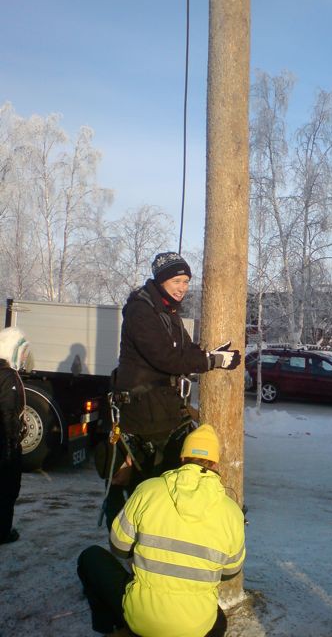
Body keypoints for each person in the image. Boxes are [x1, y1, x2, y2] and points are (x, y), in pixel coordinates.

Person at [100, 252, 241, 529]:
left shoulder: (168, 312)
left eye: (186, 281)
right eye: (177, 281)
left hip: (162, 409)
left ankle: (152, 528)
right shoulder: (141, 311)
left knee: (163, 479)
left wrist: (207, 354)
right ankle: (129, 534)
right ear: (161, 280)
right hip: (143, 413)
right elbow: (166, 358)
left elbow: (185, 350)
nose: (182, 287)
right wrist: (212, 361)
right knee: (149, 485)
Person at [79, 423, 246, 637]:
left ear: (182, 458)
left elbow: (119, 548)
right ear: (215, 463)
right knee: (218, 621)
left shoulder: (148, 490)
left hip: (142, 618)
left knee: (90, 557)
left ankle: (114, 630)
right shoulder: (232, 512)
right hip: (195, 627)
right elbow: (230, 572)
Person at [0, 327, 30, 545]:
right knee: (7, 489)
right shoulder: (7, 375)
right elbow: (7, 411)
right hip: (5, 444)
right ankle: (3, 532)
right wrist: (13, 441)